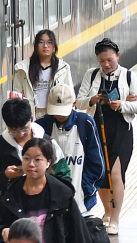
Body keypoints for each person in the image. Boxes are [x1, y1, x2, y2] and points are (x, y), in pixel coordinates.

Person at [0, 138, 92, 243]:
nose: (31, 164)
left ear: (48, 162)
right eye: (27, 158)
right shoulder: (11, 194)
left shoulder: (62, 194)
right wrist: (3, 231)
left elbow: (78, 235)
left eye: (38, 160)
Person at [78, 38, 137, 235]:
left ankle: (115, 219)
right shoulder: (91, 76)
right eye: (102, 61)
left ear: (118, 56)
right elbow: (80, 102)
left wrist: (122, 104)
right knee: (100, 173)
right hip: (97, 128)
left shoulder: (129, 76)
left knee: (116, 174)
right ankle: (107, 211)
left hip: (120, 130)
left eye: (110, 60)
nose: (106, 65)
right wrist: (93, 99)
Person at [0, 97, 70, 197]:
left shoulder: (48, 143)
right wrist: (5, 176)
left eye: (24, 129)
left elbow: (65, 178)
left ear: (32, 119)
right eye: (13, 130)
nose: (20, 135)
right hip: (7, 209)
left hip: (42, 209)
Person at [37, 85, 105, 214]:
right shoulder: (41, 125)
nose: (59, 115)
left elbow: (97, 164)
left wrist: (85, 189)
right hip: (47, 200)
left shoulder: (85, 123)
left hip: (80, 202)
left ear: (74, 103)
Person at [11, 30, 74, 119]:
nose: (45, 46)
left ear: (54, 46)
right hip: (31, 114)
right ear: (35, 45)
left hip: (55, 113)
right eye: (41, 42)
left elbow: (69, 94)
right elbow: (17, 94)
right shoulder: (23, 68)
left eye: (49, 42)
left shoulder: (63, 68)